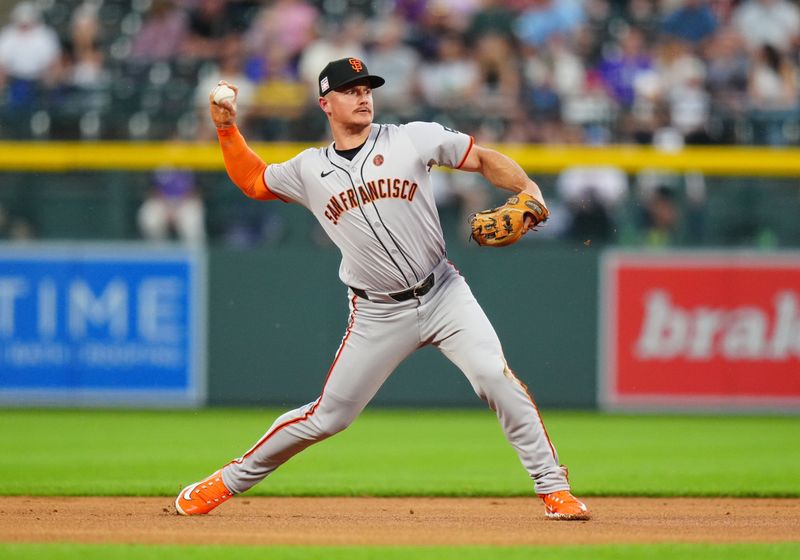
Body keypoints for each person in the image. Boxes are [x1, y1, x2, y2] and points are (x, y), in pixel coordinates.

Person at [174, 58, 590, 521]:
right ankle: (226, 481)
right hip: (377, 314)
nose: (363, 95)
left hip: (444, 293)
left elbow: (483, 158)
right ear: (325, 103)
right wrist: (227, 130)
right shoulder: (310, 168)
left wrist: (528, 187)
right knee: (328, 417)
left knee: (495, 376)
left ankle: (553, 488)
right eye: (351, 89)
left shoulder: (410, 137)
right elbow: (253, 180)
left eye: (367, 87)